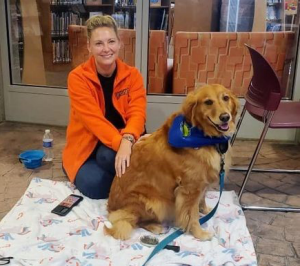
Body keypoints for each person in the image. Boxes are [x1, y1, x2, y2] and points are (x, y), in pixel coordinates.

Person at [62, 15, 147, 199]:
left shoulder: (133, 75)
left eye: (111, 41)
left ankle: (130, 178)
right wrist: (121, 144)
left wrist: (128, 139)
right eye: (99, 43)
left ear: (119, 43)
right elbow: (94, 121)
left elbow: (137, 112)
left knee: (108, 157)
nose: (106, 49)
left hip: (124, 138)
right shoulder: (77, 78)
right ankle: (137, 180)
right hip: (89, 144)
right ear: (89, 47)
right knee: (96, 186)